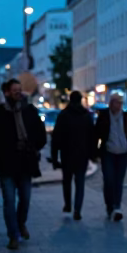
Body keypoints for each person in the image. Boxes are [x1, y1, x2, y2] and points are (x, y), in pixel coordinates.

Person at [0, 78, 47, 249]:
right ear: (7, 93)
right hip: (6, 163)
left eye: (20, 89)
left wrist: (34, 147)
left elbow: (41, 134)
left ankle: (21, 224)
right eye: (14, 90)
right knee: (9, 200)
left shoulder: (29, 110)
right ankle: (13, 235)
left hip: (26, 162)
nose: (18, 93)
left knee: (25, 198)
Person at [94, 93, 127, 221]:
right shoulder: (104, 116)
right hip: (108, 152)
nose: (119, 105)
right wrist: (95, 153)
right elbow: (96, 134)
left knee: (118, 181)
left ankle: (117, 207)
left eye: (120, 103)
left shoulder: (126, 117)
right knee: (109, 180)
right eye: (116, 102)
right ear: (111, 103)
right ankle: (109, 206)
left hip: (123, 153)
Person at [51, 90, 93, 219]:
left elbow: (56, 138)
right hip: (82, 155)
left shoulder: (63, 115)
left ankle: (68, 204)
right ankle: (77, 210)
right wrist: (92, 154)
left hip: (67, 154)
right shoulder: (86, 115)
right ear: (80, 100)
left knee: (67, 181)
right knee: (80, 183)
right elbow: (92, 137)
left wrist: (54, 157)